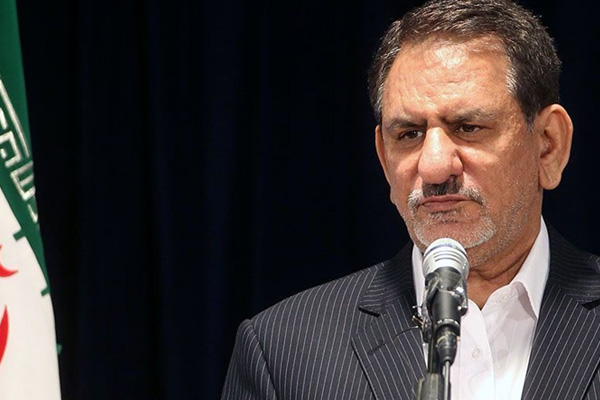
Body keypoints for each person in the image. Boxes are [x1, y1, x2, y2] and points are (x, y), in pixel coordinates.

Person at [221, 0, 600, 399]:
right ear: (384, 160)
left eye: (468, 127)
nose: (434, 167)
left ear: (548, 145)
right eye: (409, 135)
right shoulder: (282, 354)